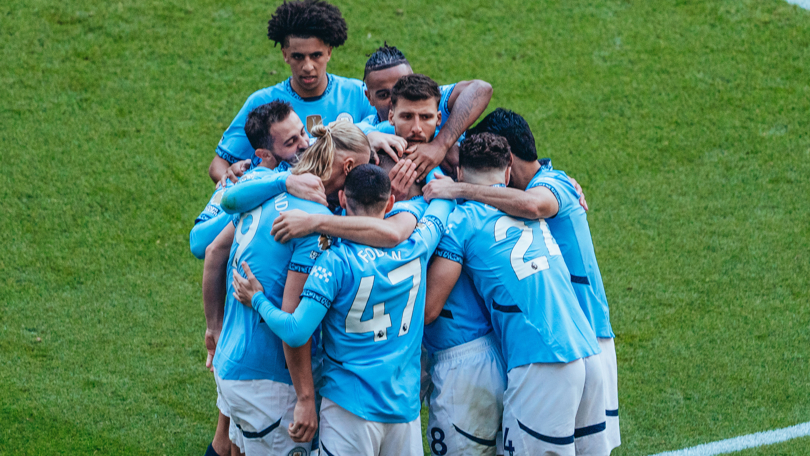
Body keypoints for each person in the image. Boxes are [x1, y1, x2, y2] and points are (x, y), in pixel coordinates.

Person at [424, 109, 620, 452]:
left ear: (458, 172)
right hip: (587, 348)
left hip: (541, 356)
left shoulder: (465, 220)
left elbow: (429, 309)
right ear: (507, 169)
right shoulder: (532, 198)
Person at [231, 164, 456, 455]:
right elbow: (443, 197)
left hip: (347, 409)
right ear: (389, 202)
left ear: (342, 198)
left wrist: (258, 300)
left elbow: (297, 332)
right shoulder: (419, 243)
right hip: (403, 407)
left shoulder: (334, 261)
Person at [207, 120, 371, 456]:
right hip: (268, 381)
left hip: (233, 362)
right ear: (350, 167)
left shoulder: (265, 186)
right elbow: (293, 323)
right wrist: (306, 398)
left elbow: (219, 226)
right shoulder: (310, 225)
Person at [209, 0, 386, 182]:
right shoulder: (262, 103)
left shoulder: (358, 94)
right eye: (298, 57)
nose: (308, 67)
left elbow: (395, 135)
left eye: (316, 55)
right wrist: (238, 187)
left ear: (329, 52)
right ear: (285, 54)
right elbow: (218, 165)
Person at [357, 43, 493, 181]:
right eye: (384, 95)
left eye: (425, 117)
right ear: (369, 97)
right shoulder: (368, 129)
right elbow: (341, 132)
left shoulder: (429, 98)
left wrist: (440, 145)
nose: (395, 99)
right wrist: (368, 137)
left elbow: (481, 88)